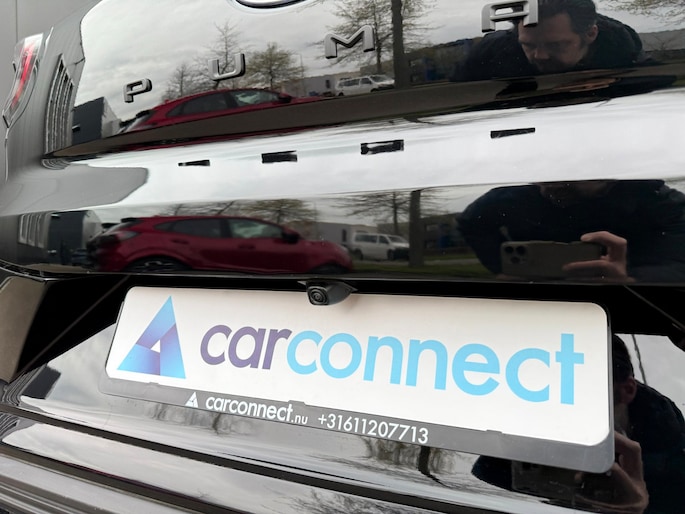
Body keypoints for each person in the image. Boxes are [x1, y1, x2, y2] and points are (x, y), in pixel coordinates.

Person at [458, 180, 685, 282]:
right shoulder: (511, 197)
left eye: (572, 179)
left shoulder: (660, 202)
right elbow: (471, 223)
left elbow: (678, 265)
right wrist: (501, 269)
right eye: (543, 177)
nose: (551, 187)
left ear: (610, 178)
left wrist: (632, 279)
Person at [453, 0, 647, 82]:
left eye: (555, 45)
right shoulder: (490, 55)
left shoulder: (622, 49)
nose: (540, 56)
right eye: (528, 45)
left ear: (590, 34)